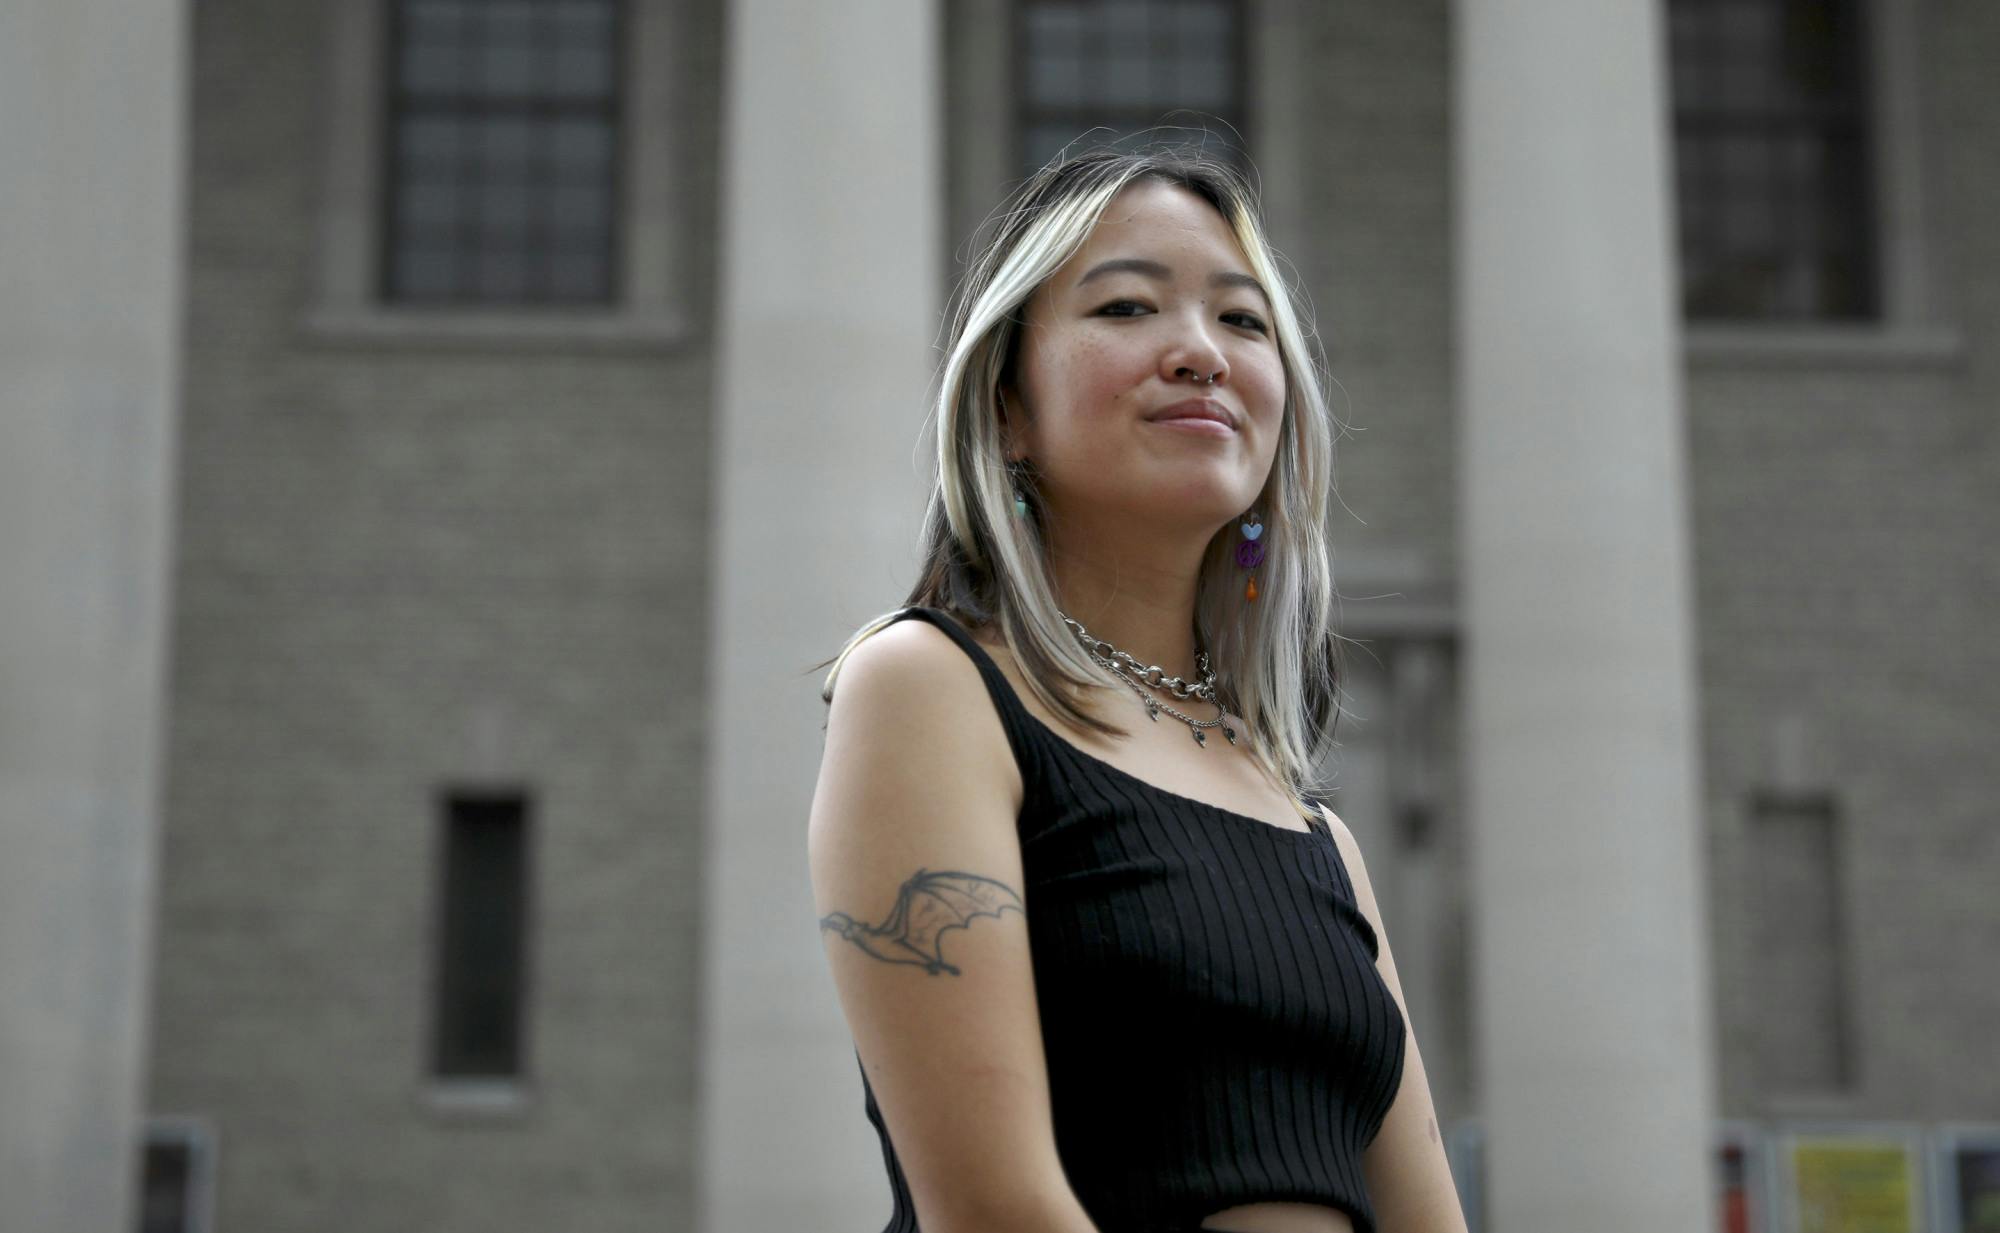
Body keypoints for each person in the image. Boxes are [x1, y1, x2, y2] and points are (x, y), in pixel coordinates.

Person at [807, 142, 1468, 1233]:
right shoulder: (927, 688)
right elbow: (993, 1210)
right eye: (1126, 308)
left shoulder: (1310, 827)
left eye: (1243, 322)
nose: (1200, 353)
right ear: (1006, 409)